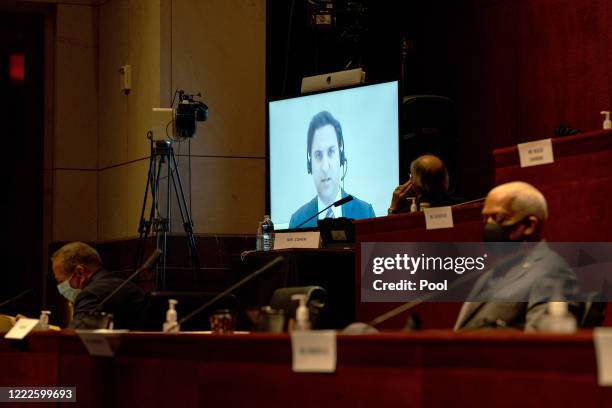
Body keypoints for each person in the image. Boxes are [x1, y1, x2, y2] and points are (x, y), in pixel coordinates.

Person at [454, 181, 578, 331]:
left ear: (529, 226)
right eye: (485, 219)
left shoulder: (552, 272)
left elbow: (544, 347)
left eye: (498, 218)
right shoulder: (491, 274)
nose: (488, 226)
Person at [289, 110, 375, 229]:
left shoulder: (365, 213)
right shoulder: (298, 221)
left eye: (331, 152)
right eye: (318, 155)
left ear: (341, 157)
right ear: (310, 164)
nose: (325, 167)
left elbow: (373, 248)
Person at [51, 241, 147, 329]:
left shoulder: (91, 295)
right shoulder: (128, 286)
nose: (60, 288)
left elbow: (73, 341)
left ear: (80, 273)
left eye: (61, 281)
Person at [388, 154, 458, 214]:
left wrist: (393, 207)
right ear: (446, 179)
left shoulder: (405, 215)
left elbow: (389, 229)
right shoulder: (464, 206)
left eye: (411, 177)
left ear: (415, 183)